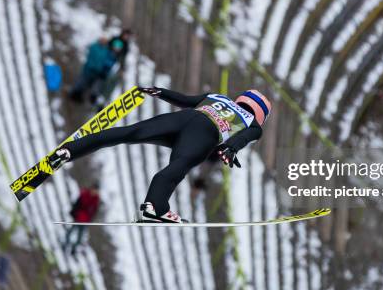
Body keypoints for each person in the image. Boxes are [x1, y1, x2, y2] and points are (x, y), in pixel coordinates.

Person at [49, 88, 272, 223]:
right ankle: (155, 206)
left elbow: (184, 99)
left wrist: (159, 92)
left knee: (127, 133)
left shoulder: (218, 97)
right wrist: (230, 149)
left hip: (182, 119)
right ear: (261, 115)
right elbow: (242, 138)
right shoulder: (254, 124)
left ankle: (69, 150)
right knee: (179, 166)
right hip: (205, 134)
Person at [69, 33, 130, 104]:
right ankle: (77, 95)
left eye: (119, 47)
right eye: (116, 46)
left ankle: (94, 99)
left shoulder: (116, 55)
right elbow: (97, 59)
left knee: (97, 85)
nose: (117, 48)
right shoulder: (105, 50)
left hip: (101, 73)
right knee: (84, 82)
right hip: (92, 70)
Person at [94, 29, 133, 108]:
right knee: (101, 83)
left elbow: (123, 59)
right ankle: (97, 100)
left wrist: (122, 68)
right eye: (126, 35)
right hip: (105, 66)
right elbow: (106, 48)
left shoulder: (126, 46)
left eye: (128, 36)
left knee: (110, 85)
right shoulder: (115, 40)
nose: (126, 37)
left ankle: (102, 102)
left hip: (113, 66)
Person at [63, 184, 100, 255]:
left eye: (96, 191)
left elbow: (94, 211)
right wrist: (74, 213)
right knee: (71, 231)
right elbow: (77, 204)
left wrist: (90, 219)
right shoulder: (84, 194)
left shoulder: (96, 199)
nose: (94, 192)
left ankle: (73, 249)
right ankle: (65, 244)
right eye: (94, 190)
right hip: (78, 217)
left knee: (79, 237)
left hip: (85, 221)